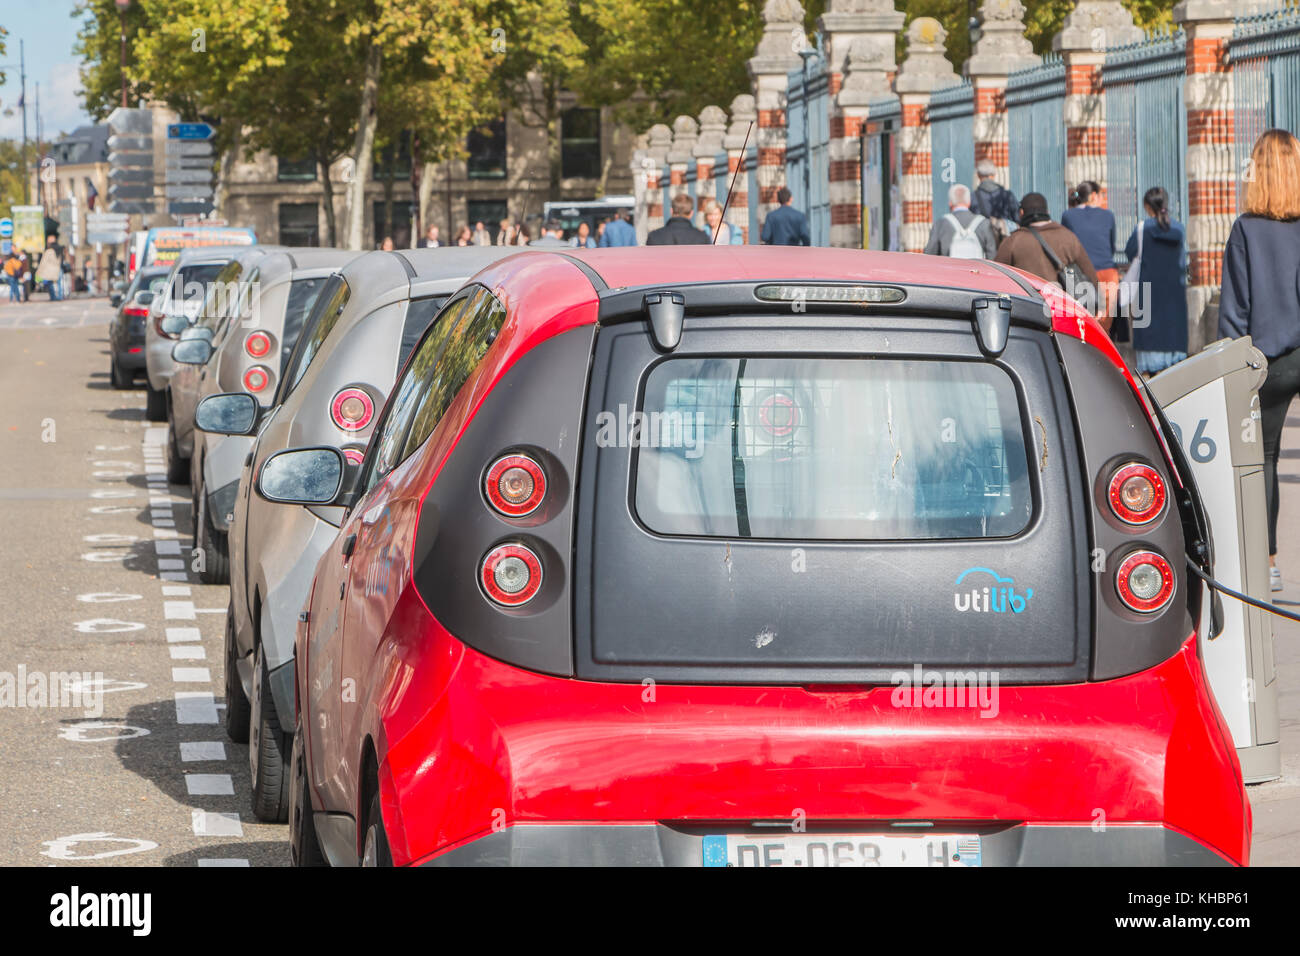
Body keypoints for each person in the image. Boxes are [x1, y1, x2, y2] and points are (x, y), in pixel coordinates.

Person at [1217, 128, 1300, 592]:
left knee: (1262, 457)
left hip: (1266, 359)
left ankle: (1267, 560)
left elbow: (1235, 309)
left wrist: (1227, 367)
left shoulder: (1246, 229)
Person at [1122, 187, 1187, 377]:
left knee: (1150, 355)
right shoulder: (1179, 228)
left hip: (1148, 294)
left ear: (1146, 206)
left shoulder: (1143, 229)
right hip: (1174, 295)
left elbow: (1130, 251)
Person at [993, 192, 1098, 296]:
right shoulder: (1068, 237)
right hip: (1062, 307)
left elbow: (996, 278)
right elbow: (1090, 274)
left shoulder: (1013, 241)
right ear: (1047, 211)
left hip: (1026, 307)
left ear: (1021, 213)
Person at [1062, 181, 1119, 328]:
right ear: (1093, 195)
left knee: (1082, 322)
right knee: (1104, 326)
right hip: (1106, 273)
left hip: (1080, 274)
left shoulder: (1068, 216)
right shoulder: (1108, 215)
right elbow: (1111, 247)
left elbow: (1067, 245)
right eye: (1101, 195)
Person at [923, 184, 997, 259]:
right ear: (969, 203)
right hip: (976, 269)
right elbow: (992, 254)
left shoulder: (941, 223)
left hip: (950, 269)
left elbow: (929, 253)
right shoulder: (984, 223)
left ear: (950, 203)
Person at [971, 159, 1019, 245]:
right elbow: (1017, 218)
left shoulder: (973, 197)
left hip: (981, 242)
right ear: (994, 175)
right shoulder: (1007, 195)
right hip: (1005, 243)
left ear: (978, 175)